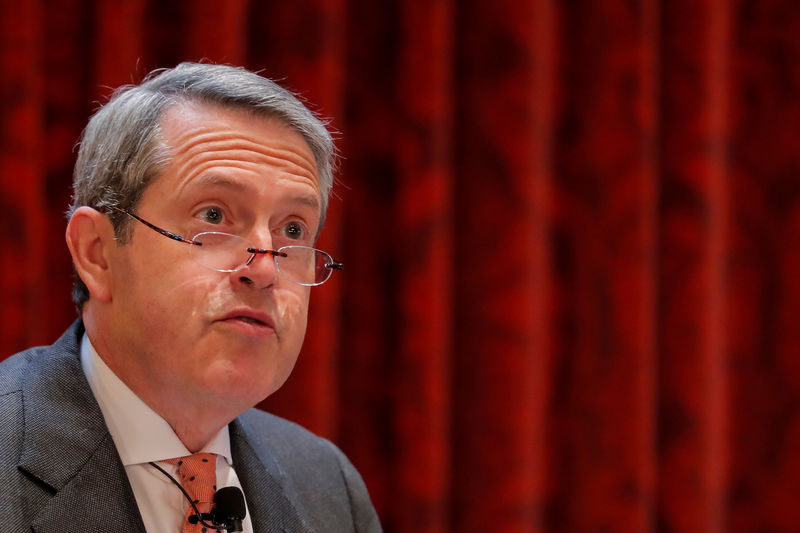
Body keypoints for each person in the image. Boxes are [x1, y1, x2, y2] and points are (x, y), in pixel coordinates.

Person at [0, 63, 381, 533]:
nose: (265, 268)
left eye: (293, 229)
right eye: (215, 215)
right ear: (98, 254)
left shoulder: (326, 485)